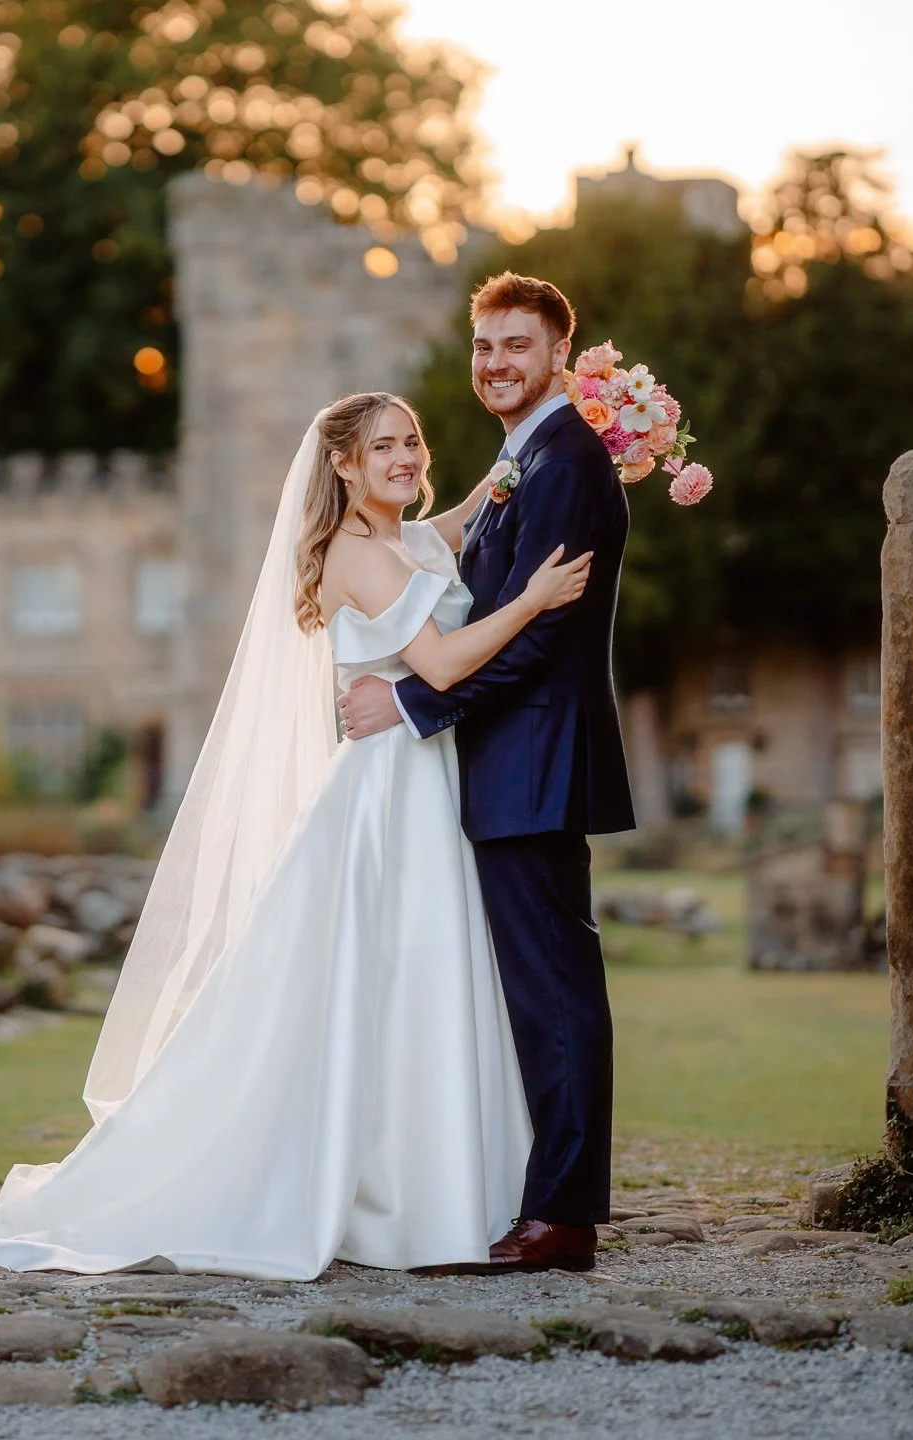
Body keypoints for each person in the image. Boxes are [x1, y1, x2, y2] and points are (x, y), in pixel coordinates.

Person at [0, 388, 590, 1278]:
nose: (407, 458)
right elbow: (438, 661)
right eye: (385, 447)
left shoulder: (406, 538)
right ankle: (385, 1195)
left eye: (415, 442)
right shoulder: (357, 555)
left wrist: (557, 432)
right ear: (343, 466)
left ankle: (438, 1184)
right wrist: (536, 599)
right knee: (384, 974)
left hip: (429, 782)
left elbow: (474, 509)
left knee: (424, 977)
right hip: (387, 796)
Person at [339, 273, 634, 1274]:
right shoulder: (525, 458)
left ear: (560, 353)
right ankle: (538, 1190)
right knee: (535, 988)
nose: (495, 363)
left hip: (535, 761)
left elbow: (540, 637)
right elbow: (463, 547)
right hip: (508, 764)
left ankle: (561, 1215)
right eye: (482, 346)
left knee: (554, 990)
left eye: (516, 345)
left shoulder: (564, 462)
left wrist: (413, 702)